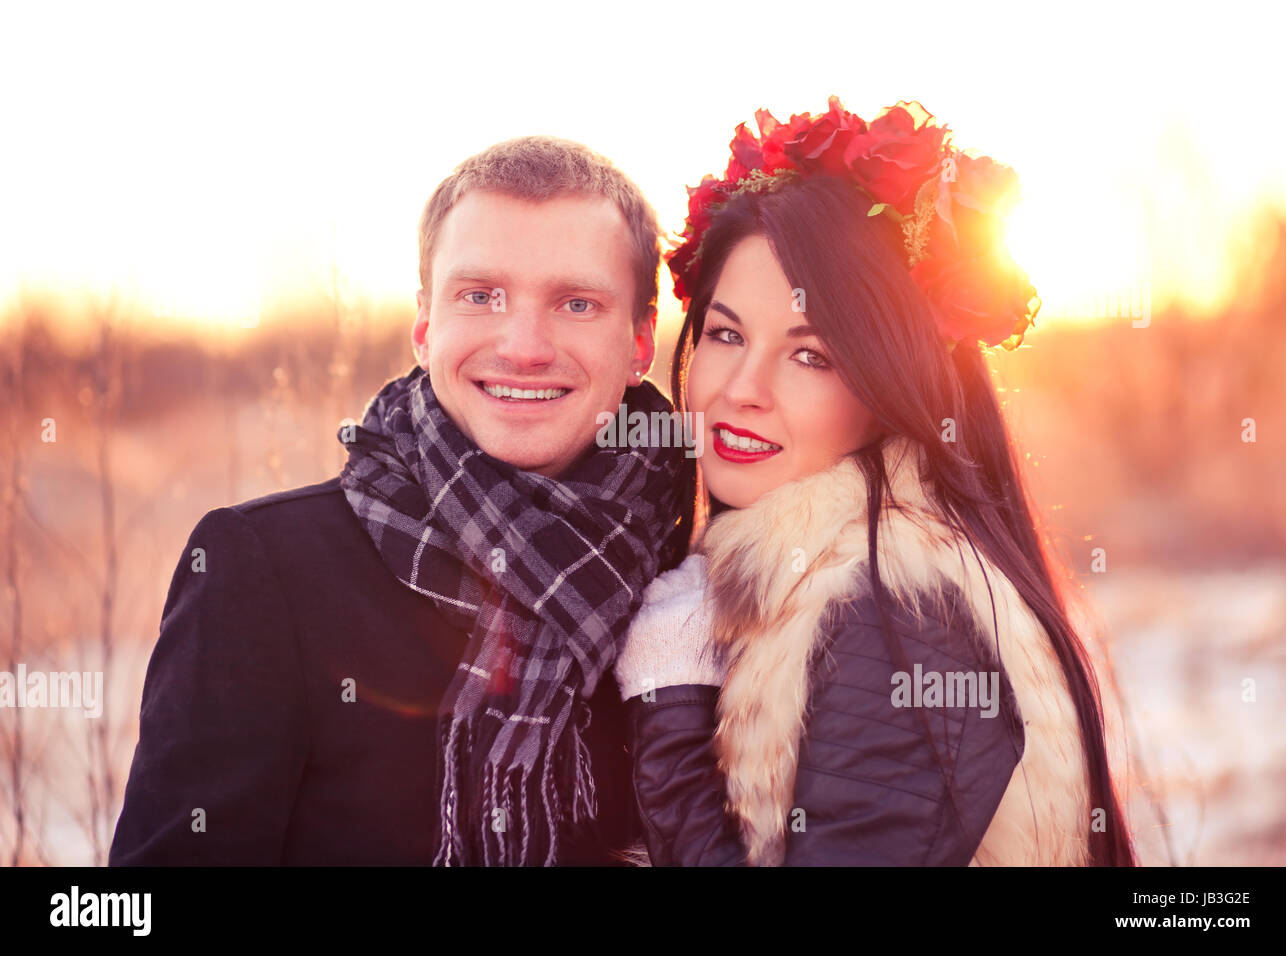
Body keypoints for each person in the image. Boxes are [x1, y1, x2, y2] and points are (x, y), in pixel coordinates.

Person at [110, 135, 691, 866]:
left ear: (640, 341)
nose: (524, 345)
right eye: (481, 296)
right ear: (425, 326)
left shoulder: (687, 573)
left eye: (577, 302)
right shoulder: (261, 568)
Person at [614, 99, 1137, 866]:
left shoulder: (897, 613)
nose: (741, 388)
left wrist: (670, 707)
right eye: (726, 335)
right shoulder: (818, 574)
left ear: (889, 385)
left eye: (811, 355)